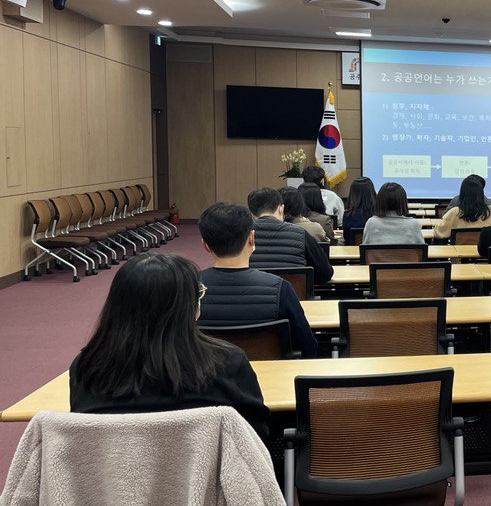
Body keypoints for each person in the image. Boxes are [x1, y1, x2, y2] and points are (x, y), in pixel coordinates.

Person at [69, 252, 271, 440]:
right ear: (188, 307)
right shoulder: (227, 364)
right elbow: (256, 439)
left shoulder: (86, 369)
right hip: (204, 469)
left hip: (114, 469)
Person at [196, 202, 319, 358]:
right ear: (252, 238)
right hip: (274, 372)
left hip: (206, 372)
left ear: (205, 245)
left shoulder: (187, 287)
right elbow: (308, 345)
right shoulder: (280, 288)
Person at [247, 187, 333, 284]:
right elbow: (326, 274)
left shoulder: (242, 236)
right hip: (295, 292)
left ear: (251, 213)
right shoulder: (300, 234)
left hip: (252, 292)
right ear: (281, 209)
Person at [434, 174, 491, 239]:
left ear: (462, 192)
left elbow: (438, 233)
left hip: (459, 247)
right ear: (481, 192)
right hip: (484, 247)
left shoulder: (454, 212)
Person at [362, 182, 429, 246]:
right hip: (404, 255)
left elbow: (365, 250)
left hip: (380, 255)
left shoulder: (371, 223)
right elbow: (421, 251)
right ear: (403, 202)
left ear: (379, 201)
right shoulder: (414, 224)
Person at [342, 176, 376, 245]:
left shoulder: (347, 215)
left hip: (353, 251)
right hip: (374, 251)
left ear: (352, 194)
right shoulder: (379, 214)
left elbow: (347, 240)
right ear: (372, 192)